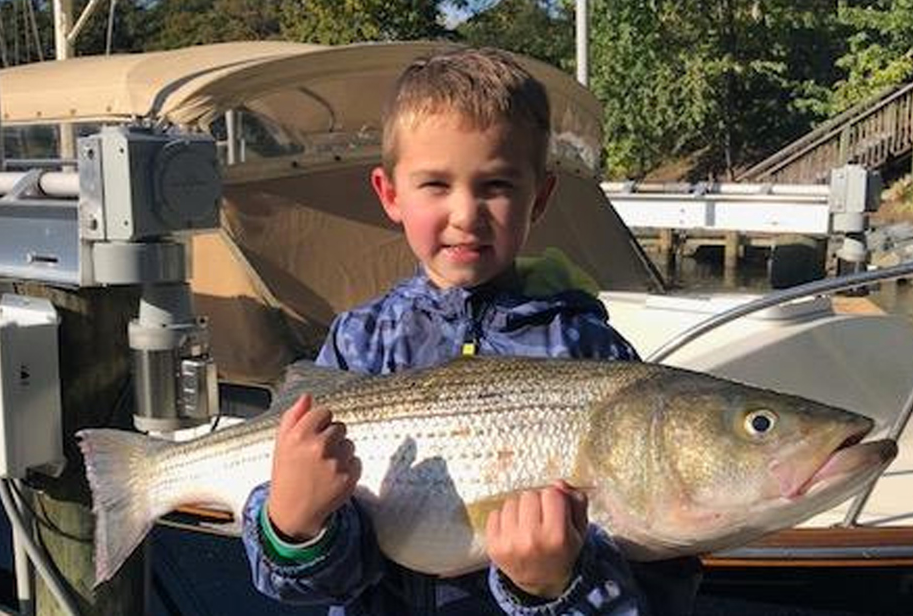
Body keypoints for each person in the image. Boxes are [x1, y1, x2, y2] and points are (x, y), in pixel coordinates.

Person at [242, 46, 699, 615]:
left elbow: (658, 593)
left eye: (497, 185)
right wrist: (293, 525)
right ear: (390, 195)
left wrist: (553, 585)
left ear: (541, 197)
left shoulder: (591, 350)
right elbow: (319, 584)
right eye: (435, 184)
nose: (466, 213)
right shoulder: (359, 343)